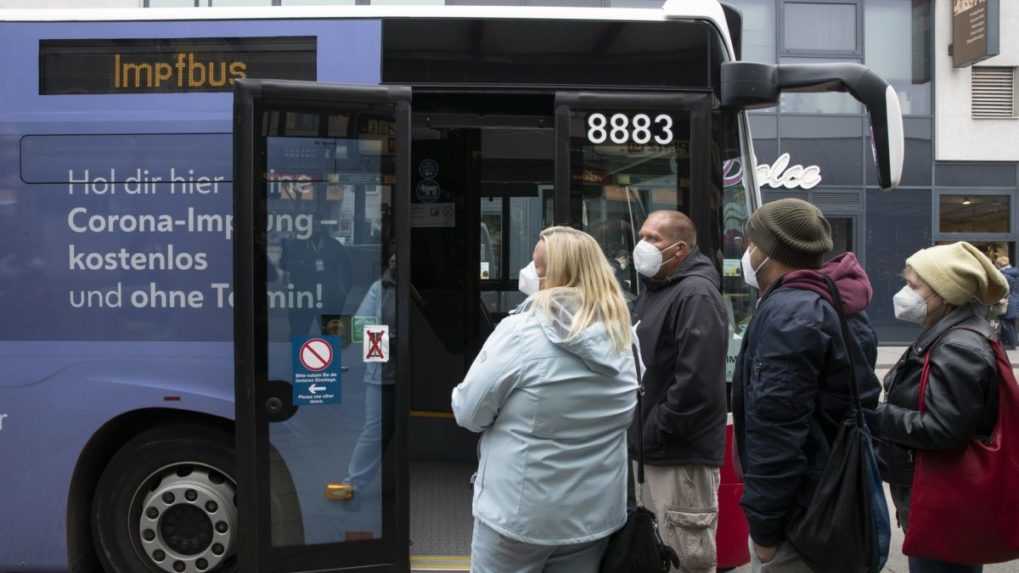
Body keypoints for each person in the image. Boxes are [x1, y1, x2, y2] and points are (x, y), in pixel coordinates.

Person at [451, 226, 638, 573]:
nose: (529, 275)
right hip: (592, 518)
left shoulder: (520, 333)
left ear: (558, 276)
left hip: (519, 515)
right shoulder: (625, 337)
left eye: (538, 270)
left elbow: (469, 412)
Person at [731, 198, 881, 572]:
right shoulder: (828, 298)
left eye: (751, 244)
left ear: (769, 251)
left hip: (801, 523)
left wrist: (764, 531)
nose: (747, 253)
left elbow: (776, 432)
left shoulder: (791, 314)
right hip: (834, 506)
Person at [876, 241, 1006, 573]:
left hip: (944, 506)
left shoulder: (958, 345)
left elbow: (944, 430)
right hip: (939, 502)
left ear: (945, 294)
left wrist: (878, 417)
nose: (905, 293)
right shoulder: (946, 334)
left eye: (914, 285)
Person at [629, 211, 728, 573]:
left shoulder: (696, 294)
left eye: (654, 238)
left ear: (680, 249)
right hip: (655, 450)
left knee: (685, 556)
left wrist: (655, 428)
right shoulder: (657, 289)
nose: (643, 245)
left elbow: (695, 385)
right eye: (642, 235)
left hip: (678, 456)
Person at [994, 255, 1018, 349]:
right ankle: (1012, 343)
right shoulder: (1015, 272)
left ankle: (1011, 345)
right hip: (1015, 301)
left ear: (999, 264)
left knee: (1006, 323)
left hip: (1009, 302)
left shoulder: (1005, 275)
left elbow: (1005, 289)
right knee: (1010, 323)